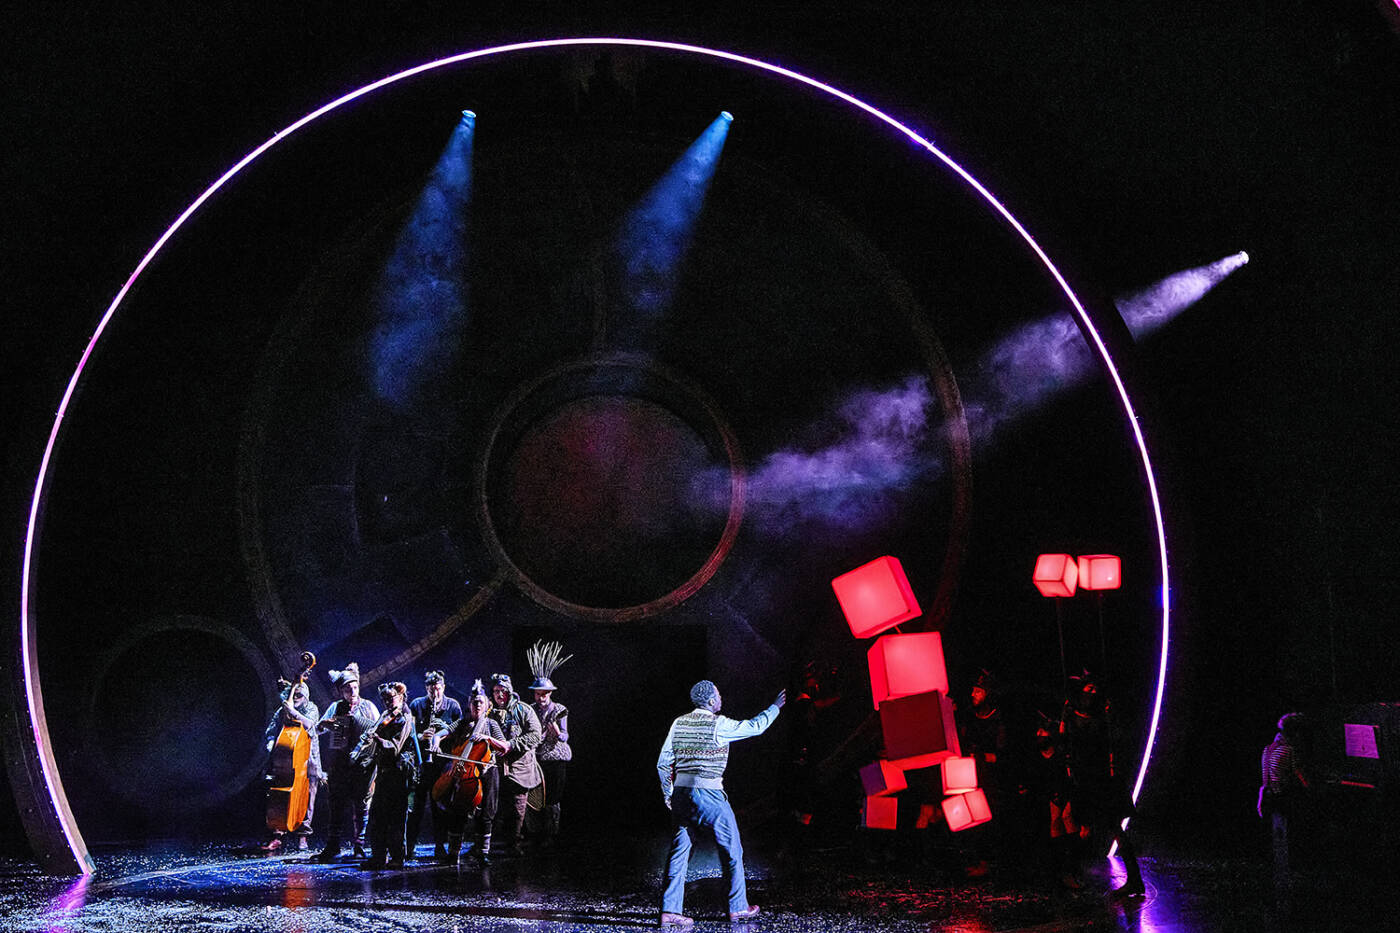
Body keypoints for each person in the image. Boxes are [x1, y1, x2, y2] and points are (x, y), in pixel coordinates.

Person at [657, 680, 785, 927]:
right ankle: (738, 907)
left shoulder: (678, 723)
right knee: (732, 850)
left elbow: (663, 763)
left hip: (681, 794)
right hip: (709, 794)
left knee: (679, 852)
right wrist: (775, 707)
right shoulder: (719, 724)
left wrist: (668, 794)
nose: (721, 698)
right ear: (711, 701)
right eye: (718, 695)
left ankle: (669, 910)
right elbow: (755, 727)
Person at [1060, 671, 1142, 898]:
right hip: (1086, 779)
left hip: (1102, 780)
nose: (1092, 691)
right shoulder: (1073, 713)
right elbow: (1067, 744)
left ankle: (1133, 880)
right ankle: (1070, 871)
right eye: (1089, 688)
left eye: (1094, 688)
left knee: (1110, 828)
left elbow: (1111, 744)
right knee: (1082, 826)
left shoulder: (1102, 715)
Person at [435, 680, 508, 864]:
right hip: (463, 773)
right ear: (469, 704)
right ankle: (454, 853)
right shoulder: (462, 723)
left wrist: (487, 738)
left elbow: (505, 746)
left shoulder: (491, 724)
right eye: (474, 702)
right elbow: (444, 732)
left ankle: (482, 852)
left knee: (486, 813)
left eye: (481, 702)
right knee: (457, 811)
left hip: (487, 772)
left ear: (487, 704)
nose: (477, 706)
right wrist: (436, 740)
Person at [314, 663, 380, 862]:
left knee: (361, 804)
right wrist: (324, 724)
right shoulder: (336, 707)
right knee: (336, 804)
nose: (352, 692)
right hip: (340, 763)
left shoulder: (369, 707)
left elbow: (379, 731)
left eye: (355, 687)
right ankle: (333, 845)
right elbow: (317, 730)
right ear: (341, 691)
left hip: (363, 764)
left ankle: (359, 845)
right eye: (347, 689)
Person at [359, 682, 420, 870]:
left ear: (400, 697)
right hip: (384, 772)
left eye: (390, 698)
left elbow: (394, 747)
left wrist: (376, 738)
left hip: (399, 773)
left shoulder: (405, 718)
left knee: (396, 818)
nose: (387, 702)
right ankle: (378, 856)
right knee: (377, 815)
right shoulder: (386, 715)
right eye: (384, 699)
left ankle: (397, 857)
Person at [406, 671, 462, 860]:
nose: (435, 694)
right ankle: (409, 847)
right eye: (431, 690)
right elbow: (409, 732)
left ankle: (440, 846)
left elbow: (460, 732)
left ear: (443, 688)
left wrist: (442, 734)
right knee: (416, 808)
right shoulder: (416, 704)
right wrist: (422, 736)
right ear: (426, 688)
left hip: (442, 764)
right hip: (422, 764)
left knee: (440, 807)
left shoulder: (453, 706)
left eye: (438, 689)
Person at [260, 680, 320, 852]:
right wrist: (271, 743)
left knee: (307, 798)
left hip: (308, 760)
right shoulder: (282, 711)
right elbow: (271, 731)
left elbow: (310, 725)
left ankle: (303, 836)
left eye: (299, 695)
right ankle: (278, 834)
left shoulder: (311, 708)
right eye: (293, 695)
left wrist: (293, 712)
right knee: (279, 797)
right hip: (286, 761)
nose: (295, 698)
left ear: (306, 696)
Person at [488, 672, 544, 856]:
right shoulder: (489, 712)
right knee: (492, 808)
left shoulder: (524, 710)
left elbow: (535, 735)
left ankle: (514, 844)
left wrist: (511, 745)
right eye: (496, 691)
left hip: (519, 769)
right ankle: (487, 845)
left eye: (503, 691)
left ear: (509, 691)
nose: (499, 695)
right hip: (495, 768)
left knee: (517, 809)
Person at [525, 640, 572, 849]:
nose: (541, 697)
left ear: (550, 693)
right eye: (538, 693)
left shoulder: (559, 709)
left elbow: (565, 736)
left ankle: (550, 834)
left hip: (555, 758)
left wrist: (557, 733)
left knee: (552, 798)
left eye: (544, 693)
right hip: (536, 759)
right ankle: (534, 833)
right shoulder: (530, 709)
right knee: (535, 796)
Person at [1258, 712, 1309, 903]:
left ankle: (1279, 878)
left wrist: (1261, 801)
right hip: (1285, 797)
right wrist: (1311, 787)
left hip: (1270, 797)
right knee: (1289, 837)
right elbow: (1298, 773)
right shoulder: (1289, 750)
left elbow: (1265, 780)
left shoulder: (1268, 749)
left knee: (1278, 838)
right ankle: (1290, 880)